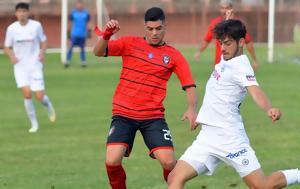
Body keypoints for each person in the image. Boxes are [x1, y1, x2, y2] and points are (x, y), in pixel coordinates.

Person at [168, 19, 300, 189]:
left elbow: (255, 91)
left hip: (230, 139)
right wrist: (228, 20)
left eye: (228, 43)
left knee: (262, 186)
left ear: (241, 42)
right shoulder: (227, 57)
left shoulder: (241, 66)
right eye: (221, 43)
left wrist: (269, 108)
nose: (223, 48)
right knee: (175, 178)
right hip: (207, 138)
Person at [93, 7, 198, 189]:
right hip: (123, 114)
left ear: (165, 26)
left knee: (168, 162)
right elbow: (98, 52)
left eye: (158, 28)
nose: (154, 33)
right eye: (150, 29)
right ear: (145, 27)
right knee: (112, 160)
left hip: (153, 117)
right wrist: (106, 35)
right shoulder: (129, 44)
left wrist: (191, 108)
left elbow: (189, 84)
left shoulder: (174, 55)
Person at [4, 2, 56, 133]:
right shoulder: (11, 29)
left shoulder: (36, 26)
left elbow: (43, 41)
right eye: (19, 11)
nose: (21, 14)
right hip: (20, 67)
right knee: (27, 94)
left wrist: (42, 52)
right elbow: (6, 47)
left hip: (34, 66)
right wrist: (11, 56)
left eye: (24, 11)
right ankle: (34, 124)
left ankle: (47, 104)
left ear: (28, 12)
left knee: (39, 96)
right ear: (16, 13)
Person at [194, 0, 258, 70]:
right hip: (220, 63)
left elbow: (248, 42)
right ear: (219, 9)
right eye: (222, 8)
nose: (224, 11)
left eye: (227, 8)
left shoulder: (238, 25)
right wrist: (199, 51)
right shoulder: (215, 24)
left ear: (231, 9)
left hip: (235, 62)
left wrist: (254, 59)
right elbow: (206, 40)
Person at [65, 0, 90, 68]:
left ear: (82, 5)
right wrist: (68, 32)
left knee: (82, 48)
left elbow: (87, 23)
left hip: (82, 34)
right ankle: (67, 61)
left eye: (81, 4)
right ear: (76, 5)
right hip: (74, 34)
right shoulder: (73, 13)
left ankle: (83, 62)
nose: (79, 5)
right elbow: (70, 23)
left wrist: (89, 32)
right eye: (78, 4)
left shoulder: (86, 13)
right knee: (70, 47)